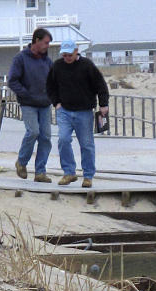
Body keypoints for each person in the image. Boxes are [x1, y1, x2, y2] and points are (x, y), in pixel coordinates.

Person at [46, 41, 109, 187]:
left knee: (86, 145)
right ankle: (69, 173)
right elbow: (50, 86)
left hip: (84, 112)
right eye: (65, 55)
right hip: (64, 111)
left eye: (70, 55)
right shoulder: (57, 66)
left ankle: (88, 176)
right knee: (63, 140)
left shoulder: (87, 66)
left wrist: (104, 104)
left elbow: (101, 85)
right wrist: (56, 103)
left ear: (76, 51)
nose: (67, 57)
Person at [6, 27, 53, 182]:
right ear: (37, 41)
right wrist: (25, 94)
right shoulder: (21, 58)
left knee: (45, 136)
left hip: (45, 104)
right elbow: (12, 80)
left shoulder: (47, 61)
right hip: (28, 104)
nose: (47, 46)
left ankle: (40, 172)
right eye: (46, 42)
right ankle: (21, 162)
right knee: (33, 132)